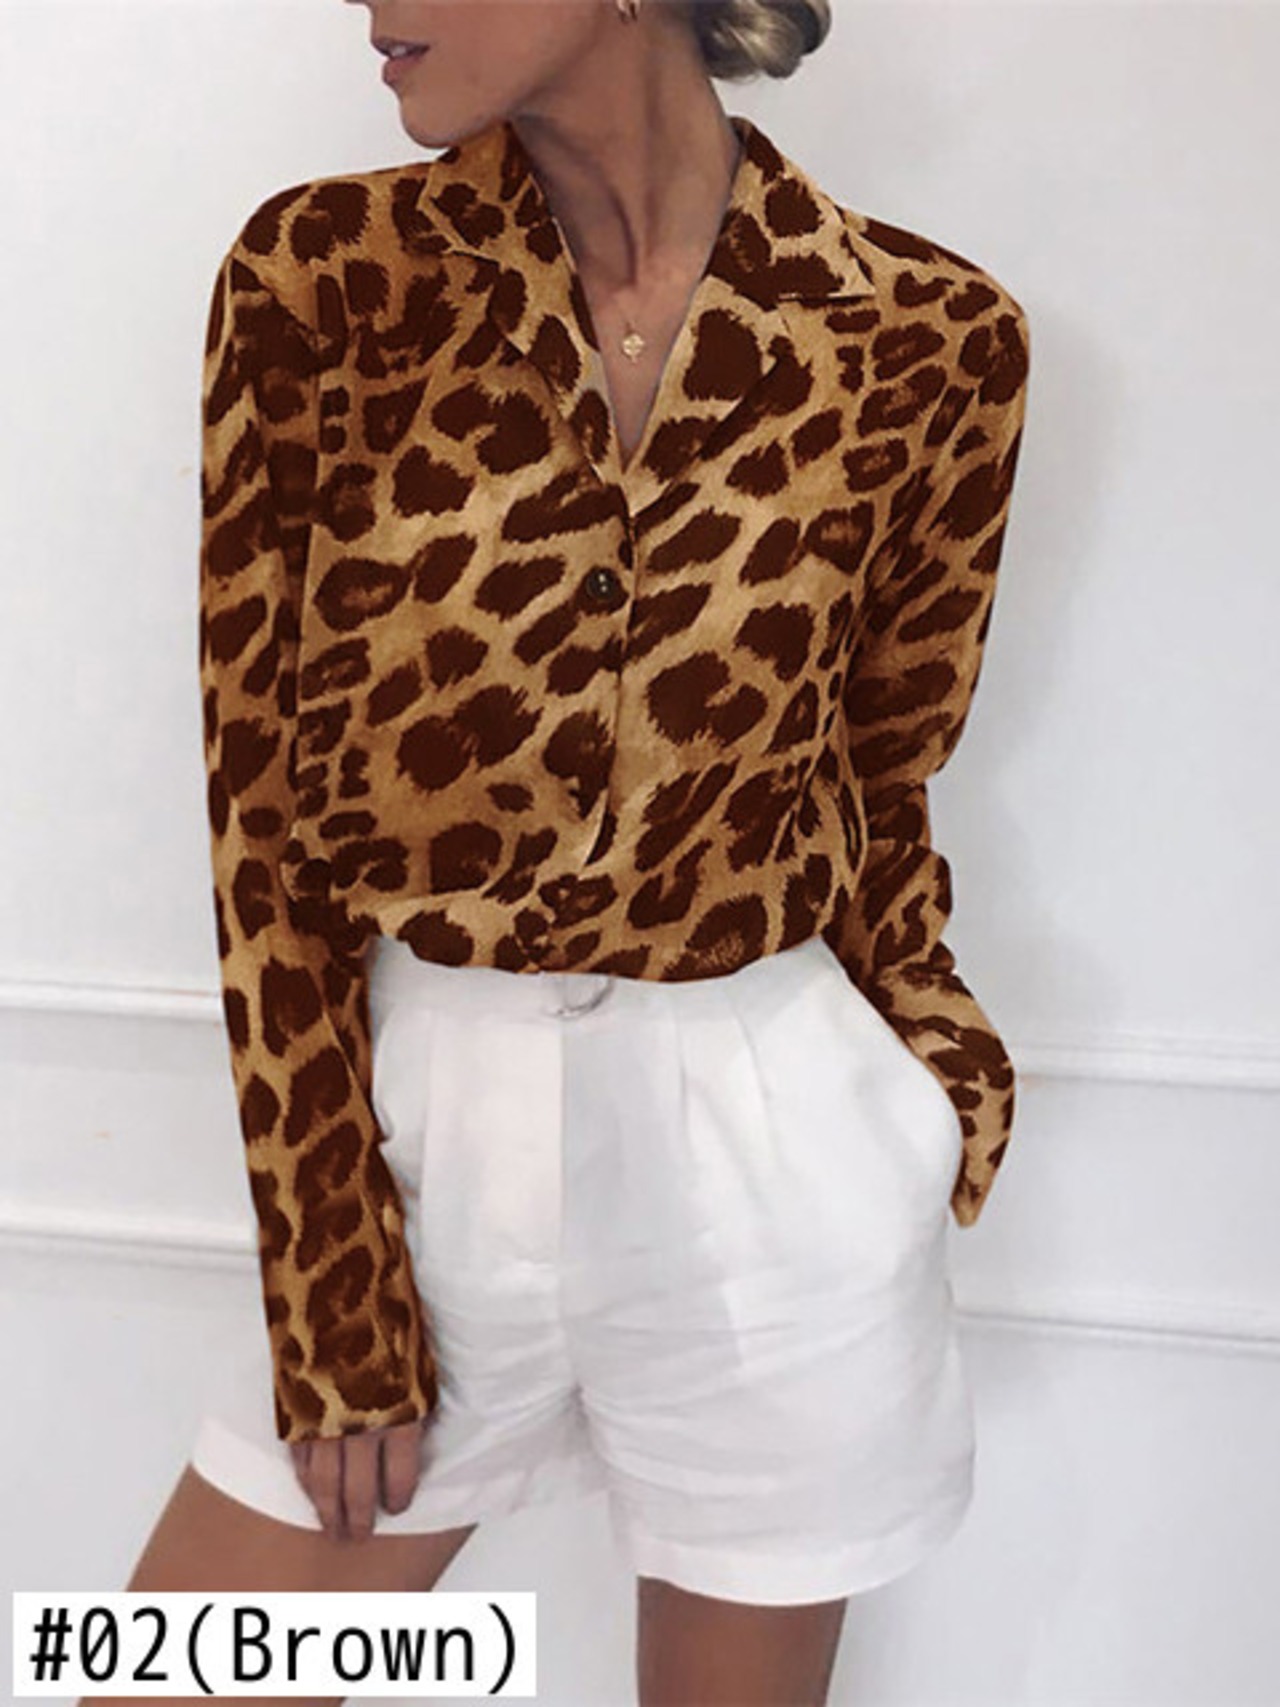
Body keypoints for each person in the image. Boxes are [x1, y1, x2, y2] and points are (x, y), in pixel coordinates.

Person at [86, 1, 1031, 1702]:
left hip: (775, 1151)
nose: (370, 4)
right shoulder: (328, 284)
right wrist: (331, 1278)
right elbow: (260, 816)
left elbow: (887, 771)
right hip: (427, 1146)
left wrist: (933, 1089)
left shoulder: (927, 337)